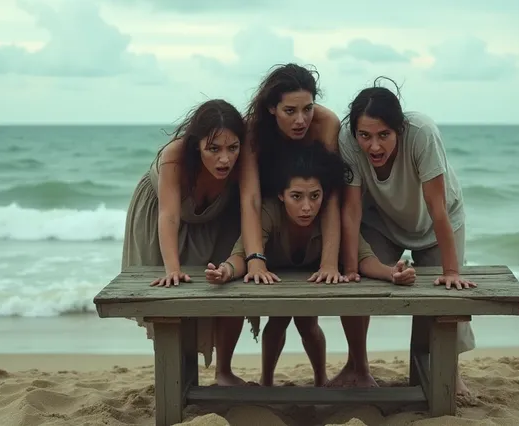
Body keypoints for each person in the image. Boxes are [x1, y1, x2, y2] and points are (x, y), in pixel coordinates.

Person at [205, 142, 417, 387]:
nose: (307, 207)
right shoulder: (269, 212)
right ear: (281, 195)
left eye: (314, 196)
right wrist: (226, 271)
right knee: (276, 323)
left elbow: (363, 258)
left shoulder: (329, 218)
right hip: (277, 282)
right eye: (296, 196)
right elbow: (242, 255)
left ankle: (320, 381)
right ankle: (266, 382)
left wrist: (391, 273)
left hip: (310, 282)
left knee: (308, 325)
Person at [334, 77, 477, 395]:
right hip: (383, 220)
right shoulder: (346, 139)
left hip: (437, 219)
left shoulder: (422, 133)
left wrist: (451, 271)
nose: (374, 146)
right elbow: (352, 209)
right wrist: (351, 269)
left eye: (384, 135)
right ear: (355, 131)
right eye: (365, 135)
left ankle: (446, 370)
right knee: (359, 287)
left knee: (445, 291)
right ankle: (358, 366)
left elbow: (437, 206)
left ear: (399, 129)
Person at [121, 99, 248, 386]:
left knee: (230, 286)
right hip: (162, 210)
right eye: (213, 149)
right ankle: (176, 374)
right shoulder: (175, 155)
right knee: (172, 290)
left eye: (232, 148)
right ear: (196, 145)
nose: (225, 159)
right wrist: (172, 268)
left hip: (216, 216)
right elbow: (168, 216)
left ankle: (224, 372)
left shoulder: (245, 154)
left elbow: (251, 201)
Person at [237, 63, 345, 285]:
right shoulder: (252, 131)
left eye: (308, 108)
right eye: (290, 111)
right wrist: (256, 260)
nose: (301, 120)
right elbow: (251, 199)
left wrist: (329, 264)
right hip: (269, 211)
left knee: (307, 312)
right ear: (271, 107)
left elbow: (329, 194)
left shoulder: (325, 123)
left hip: (302, 206)